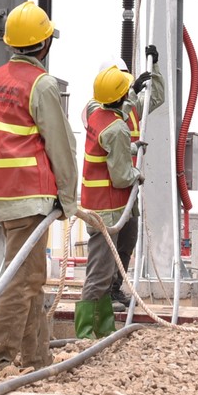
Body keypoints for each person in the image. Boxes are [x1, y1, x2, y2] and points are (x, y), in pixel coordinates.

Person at [0, 0, 78, 376]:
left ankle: (37, 360)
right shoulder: (41, 84)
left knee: (29, 275)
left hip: (0, 193)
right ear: (45, 44)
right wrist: (68, 199)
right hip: (29, 195)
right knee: (20, 280)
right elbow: (61, 145)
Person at [73, 59, 165, 337]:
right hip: (109, 205)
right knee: (99, 272)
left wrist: (131, 146)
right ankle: (85, 334)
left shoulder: (101, 114)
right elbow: (122, 176)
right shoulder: (115, 127)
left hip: (108, 203)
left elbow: (113, 139)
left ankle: (102, 328)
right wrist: (137, 172)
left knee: (112, 260)